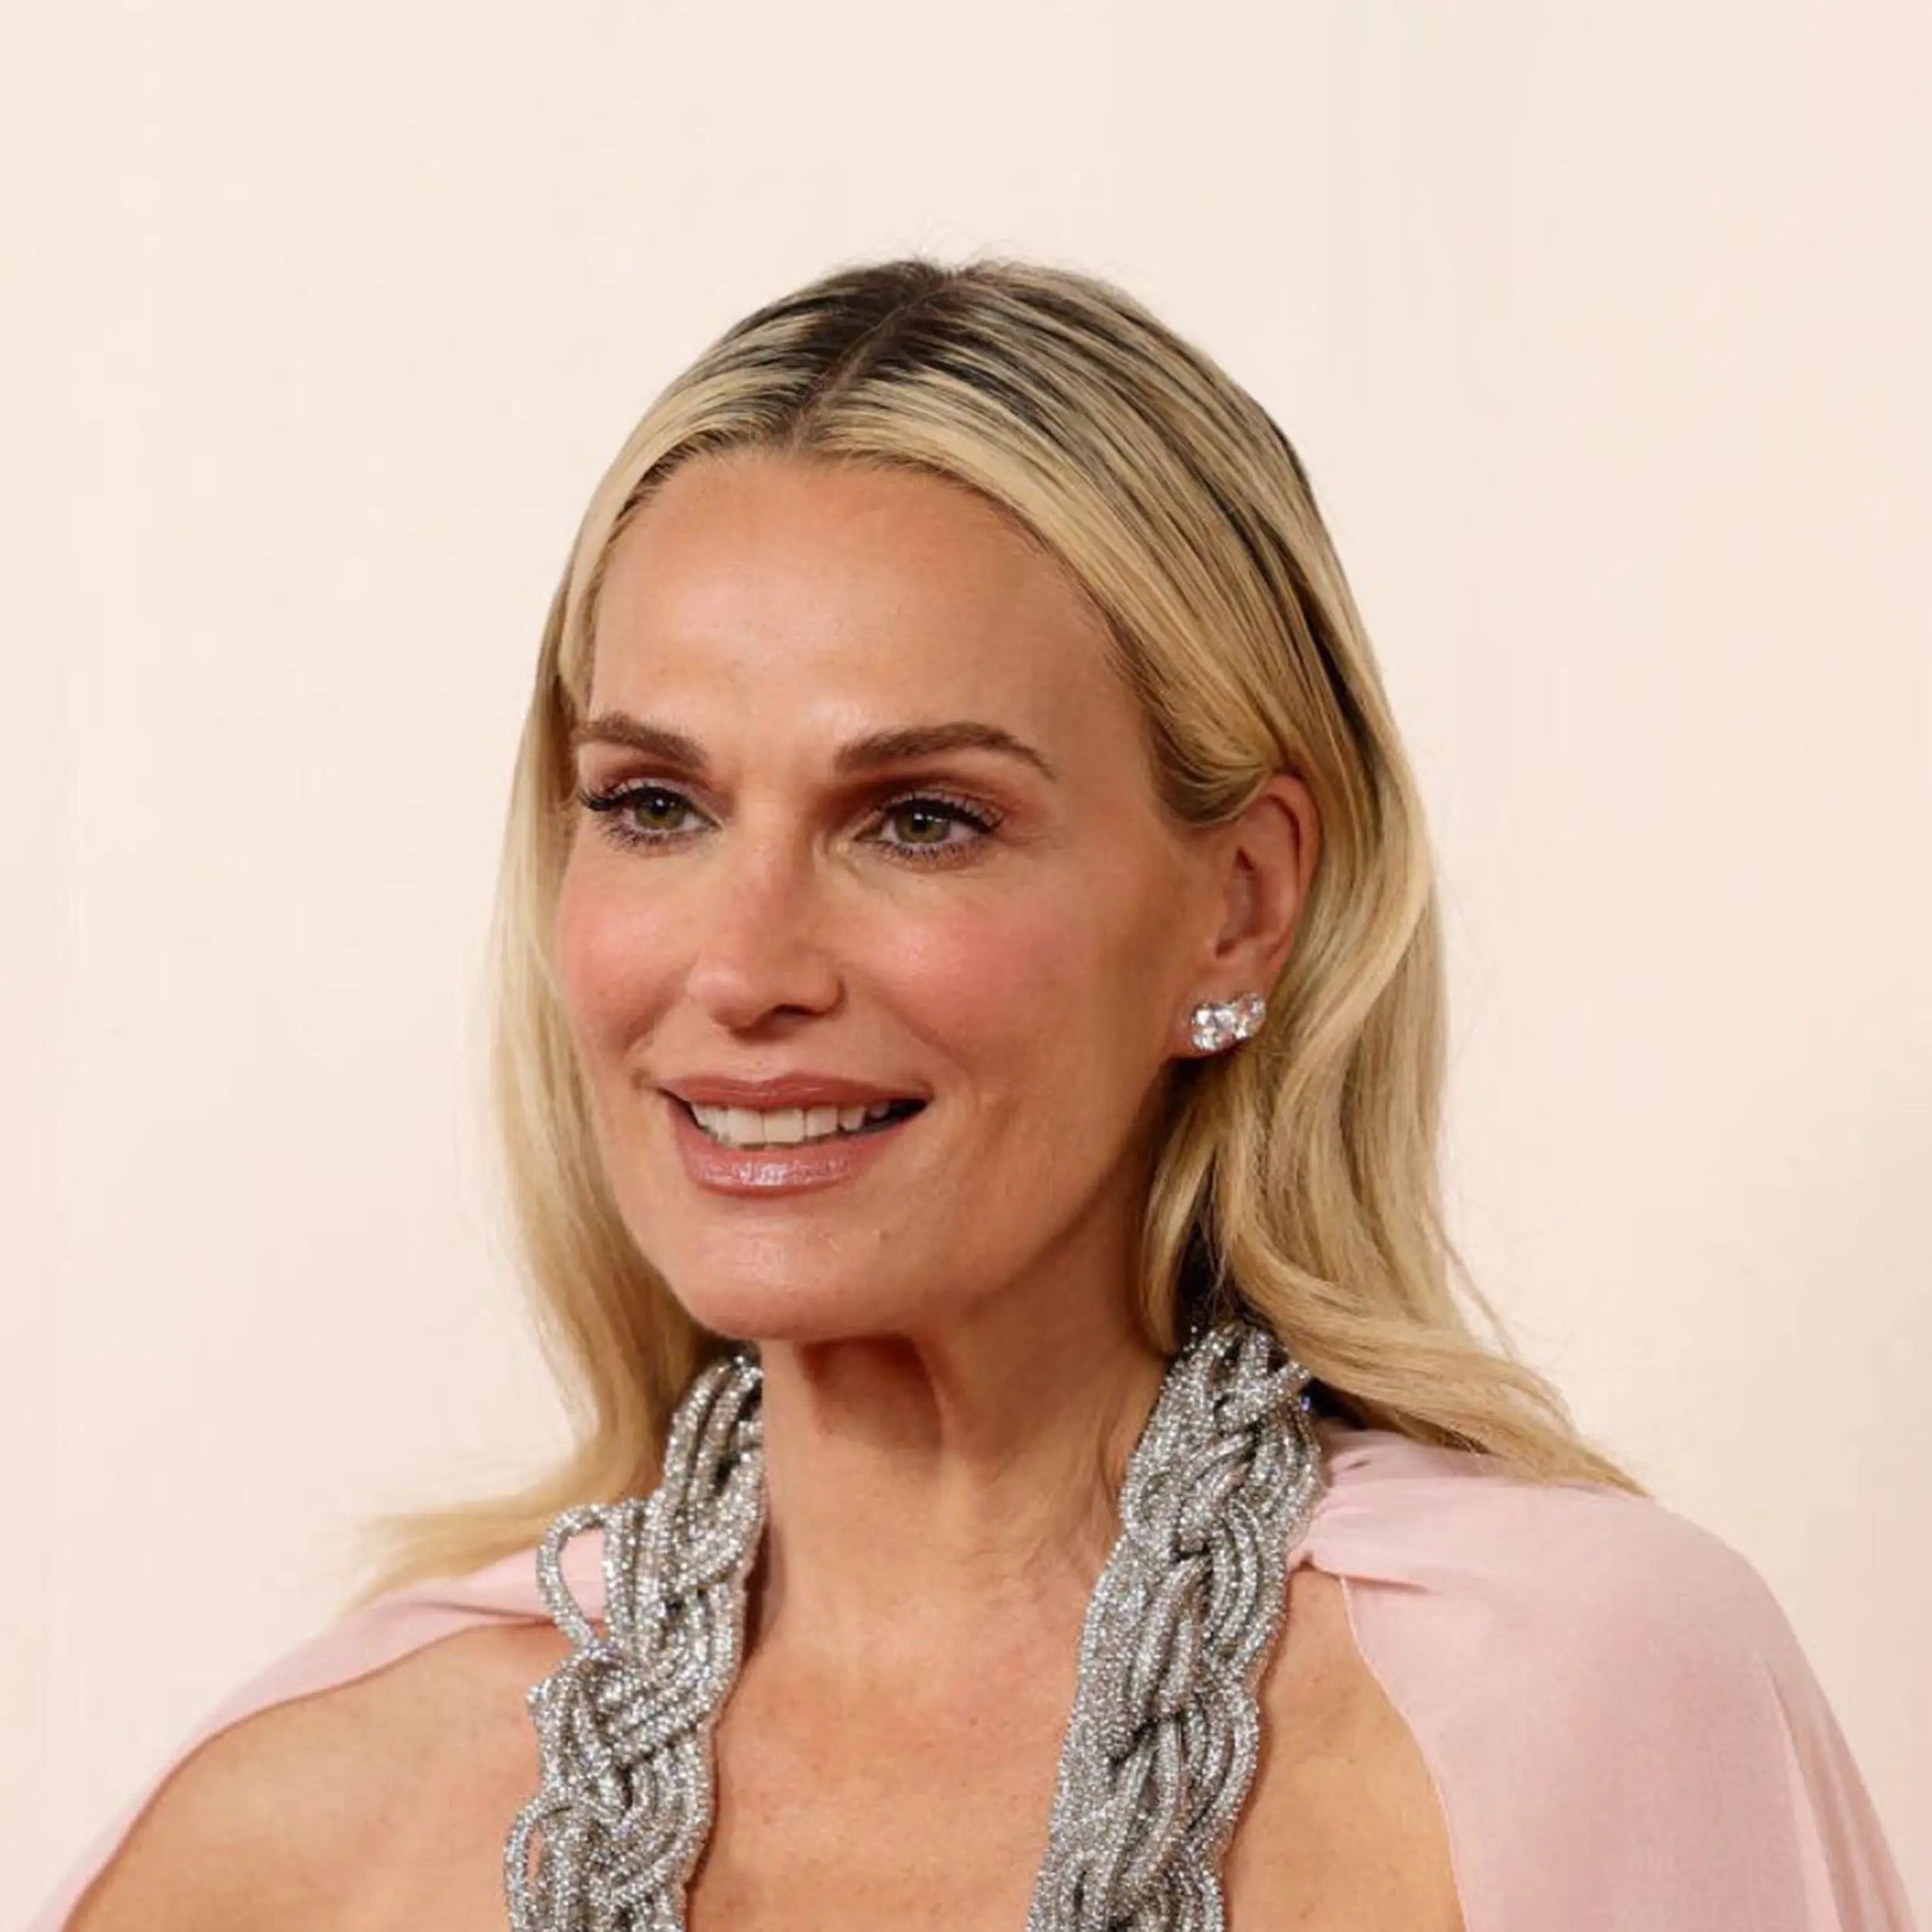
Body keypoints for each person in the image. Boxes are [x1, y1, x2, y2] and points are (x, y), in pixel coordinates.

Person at [35, 256, 1915, 1932]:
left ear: (1238, 902)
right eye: (654, 804)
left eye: (920, 818)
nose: (745, 966)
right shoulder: (306, 1831)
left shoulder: (1567, 1703)